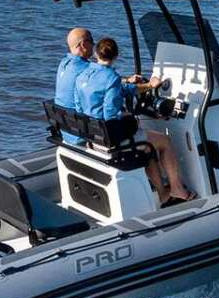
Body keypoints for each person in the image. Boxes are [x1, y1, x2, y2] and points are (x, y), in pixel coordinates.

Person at [75, 37, 196, 205]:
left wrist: (147, 86)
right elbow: (110, 113)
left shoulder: (83, 75)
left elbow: (80, 105)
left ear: (96, 54)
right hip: (111, 139)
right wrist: (127, 117)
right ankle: (177, 188)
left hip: (93, 136)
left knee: (148, 147)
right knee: (164, 141)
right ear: (116, 56)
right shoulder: (112, 78)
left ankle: (162, 193)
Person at [55, 28, 94, 143]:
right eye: (91, 41)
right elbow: (111, 85)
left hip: (66, 130)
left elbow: (101, 79)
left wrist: (125, 79)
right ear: (83, 44)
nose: (94, 45)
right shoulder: (86, 69)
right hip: (81, 133)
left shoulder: (64, 63)